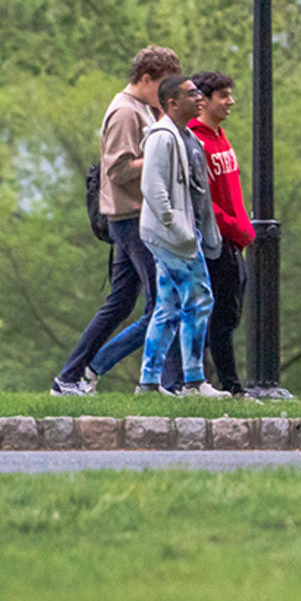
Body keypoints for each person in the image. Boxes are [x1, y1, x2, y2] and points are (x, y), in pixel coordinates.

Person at [52, 46, 176, 396]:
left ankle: (70, 377)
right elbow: (119, 169)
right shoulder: (125, 112)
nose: (167, 94)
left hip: (137, 214)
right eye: (163, 85)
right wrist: (161, 152)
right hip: (132, 216)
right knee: (162, 305)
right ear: (146, 78)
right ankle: (147, 379)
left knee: (121, 303)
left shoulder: (144, 109)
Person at [136, 76, 229, 397]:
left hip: (180, 235)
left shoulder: (186, 135)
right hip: (173, 237)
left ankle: (149, 382)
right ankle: (193, 381)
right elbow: (153, 187)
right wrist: (178, 229)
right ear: (172, 102)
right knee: (201, 299)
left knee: (169, 305)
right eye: (192, 94)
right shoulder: (162, 137)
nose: (199, 97)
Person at [186, 70, 255, 394]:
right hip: (216, 242)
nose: (230, 101)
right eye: (223, 96)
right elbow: (199, 199)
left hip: (234, 240)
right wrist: (228, 226)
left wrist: (242, 228)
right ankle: (226, 386)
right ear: (203, 100)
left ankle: (211, 383)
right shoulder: (195, 140)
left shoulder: (220, 136)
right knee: (219, 318)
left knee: (230, 315)